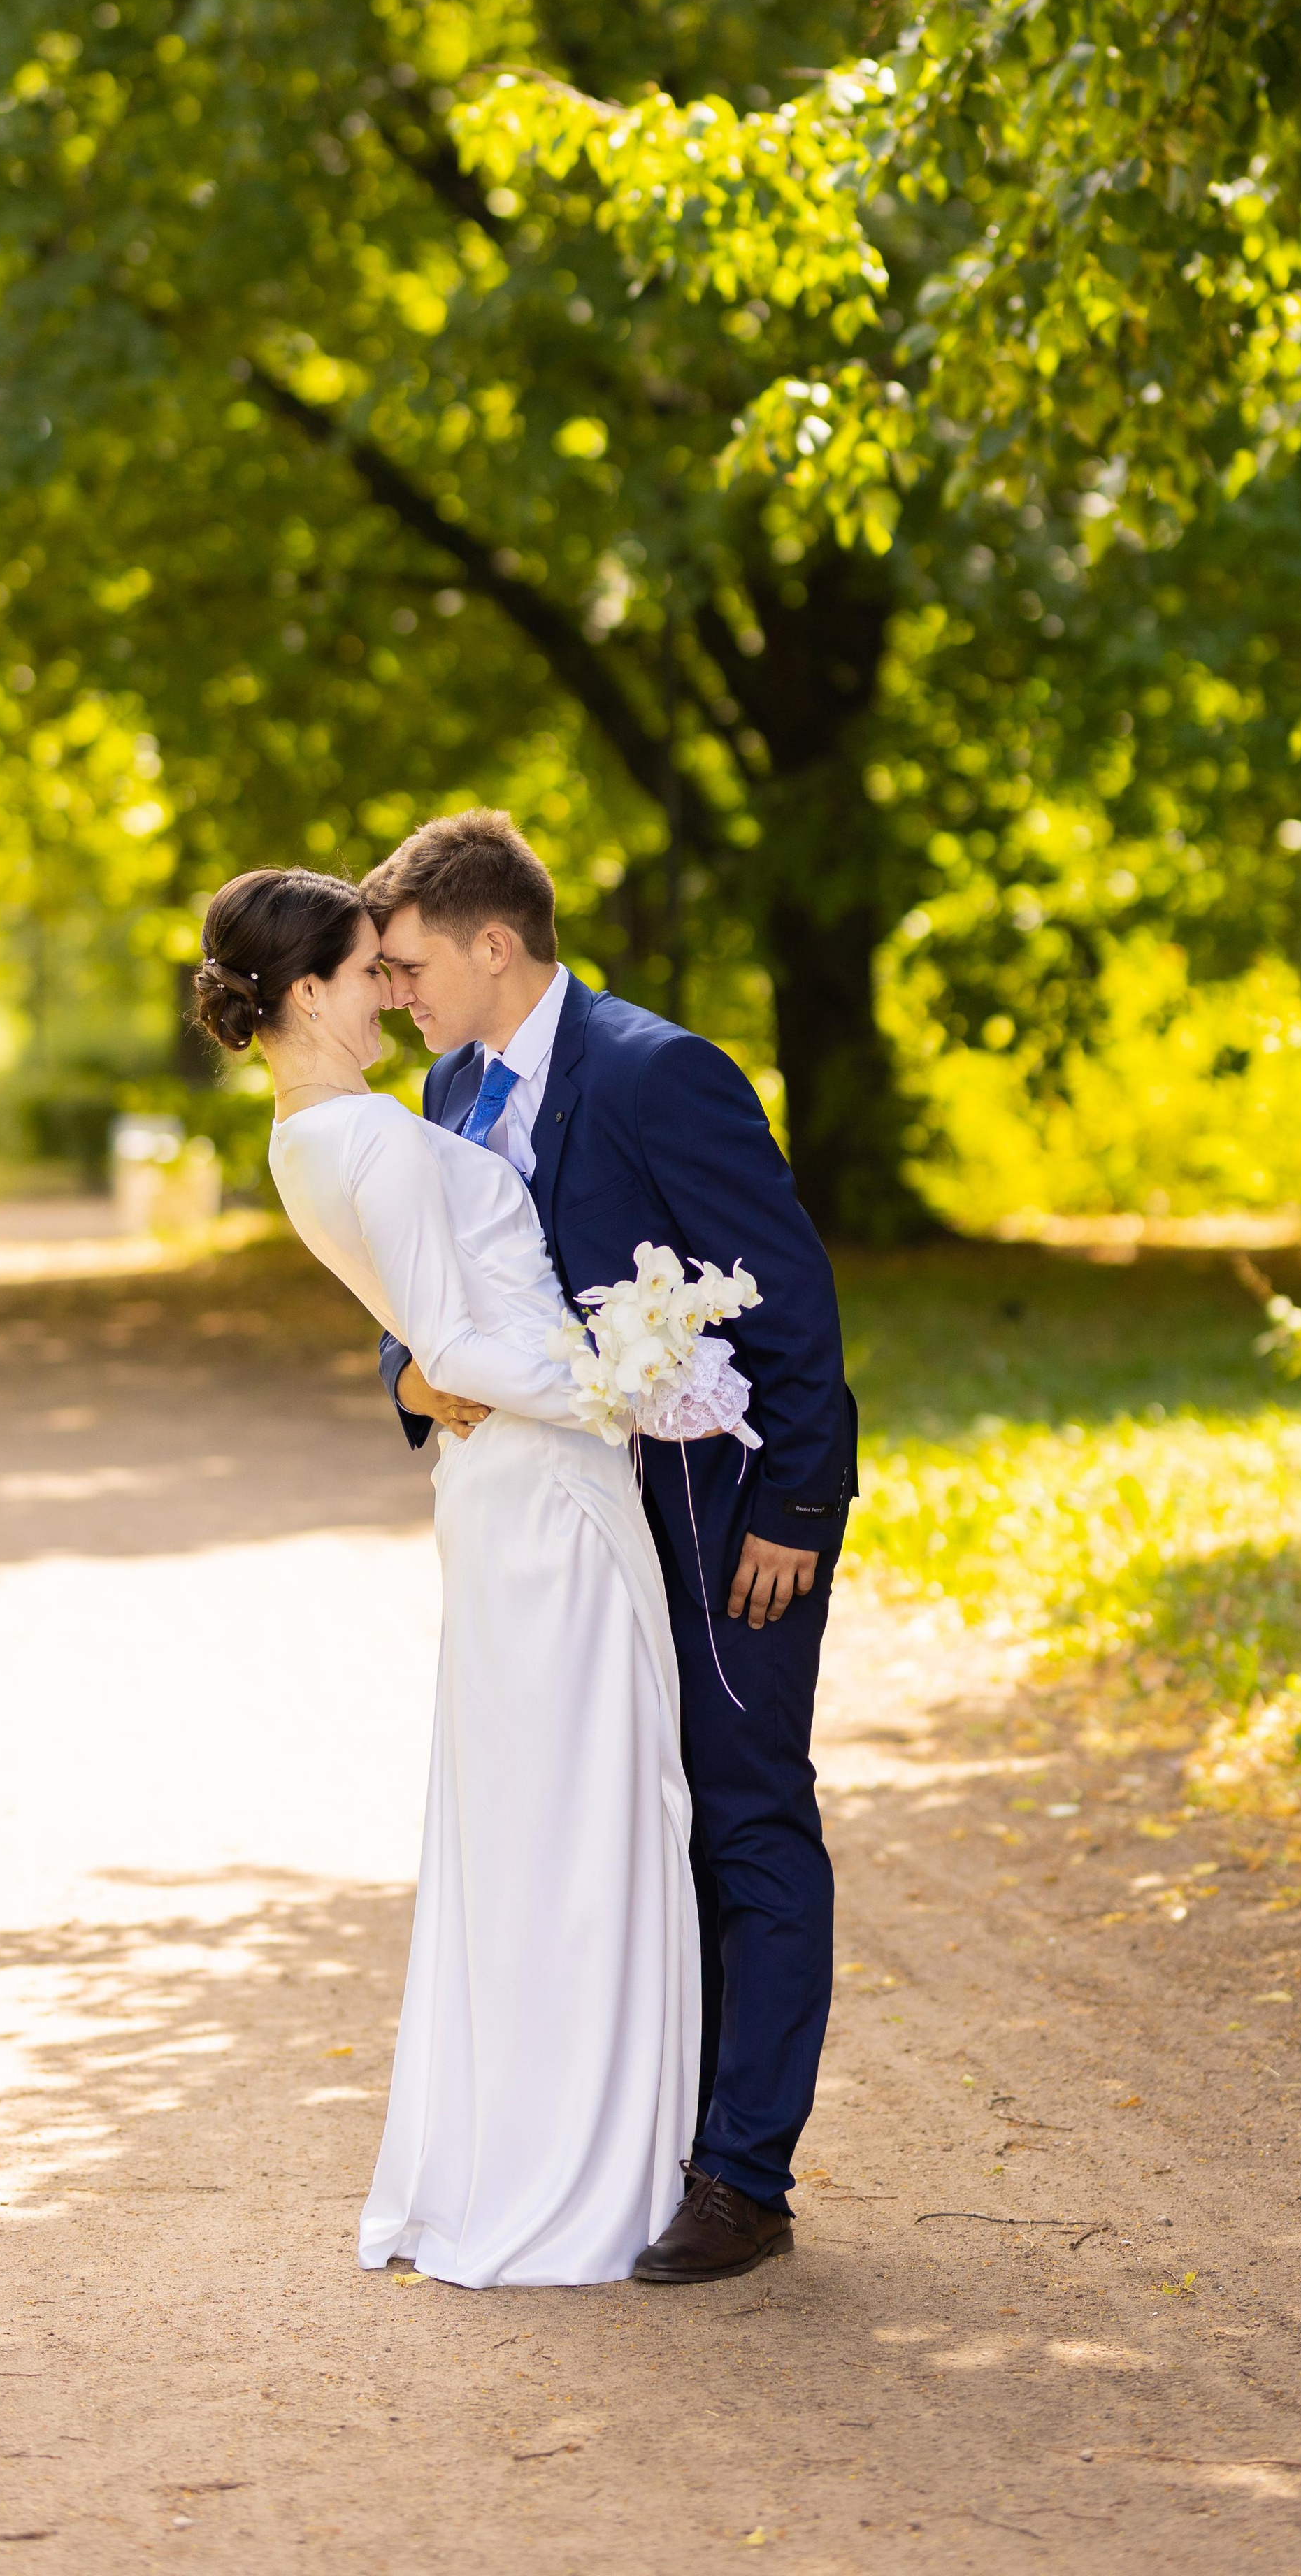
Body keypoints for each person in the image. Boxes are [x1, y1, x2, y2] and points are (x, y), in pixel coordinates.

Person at [362, 811, 856, 2284]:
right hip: (567, 1531)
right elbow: (432, 1281)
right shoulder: (452, 1087)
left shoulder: (658, 1073)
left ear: (492, 942)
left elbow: (791, 1306)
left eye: (406, 964)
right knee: (618, 1825)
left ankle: (742, 2177)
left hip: (717, 1517)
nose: (393, 995)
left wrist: (793, 1512)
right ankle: (636, 2143)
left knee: (739, 1807)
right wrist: (404, 1375)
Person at [192, 867, 700, 2289]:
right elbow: (460, 1349)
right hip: (541, 1487)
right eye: (370, 973)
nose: (393, 991)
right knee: (571, 1823)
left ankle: (547, 2154)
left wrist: (525, 1373)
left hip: (520, 1491)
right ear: (305, 993)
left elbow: (436, 1334)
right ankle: (564, 2182)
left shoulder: (313, 1140)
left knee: (549, 1815)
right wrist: (623, 1384)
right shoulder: (368, 1139)